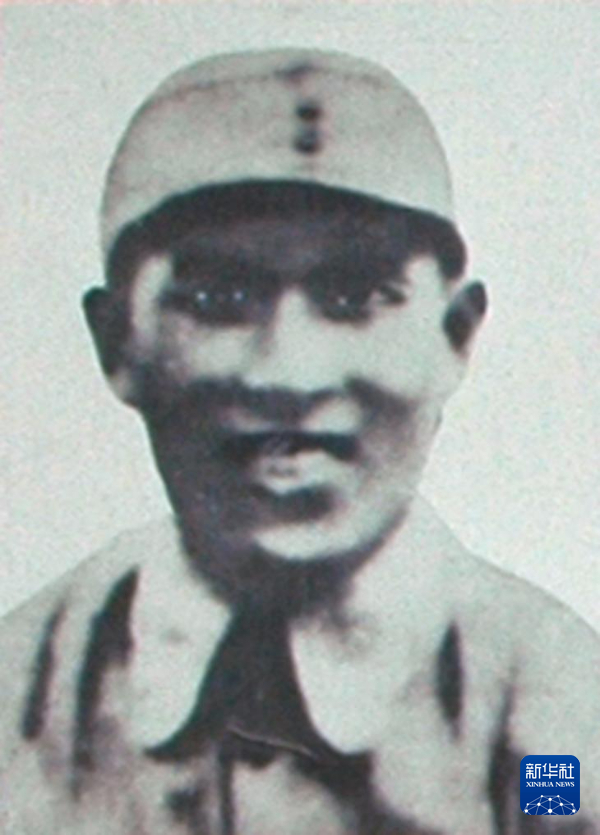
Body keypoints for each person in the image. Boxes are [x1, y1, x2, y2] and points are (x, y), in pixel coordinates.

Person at [0, 48, 598, 835]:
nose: (288, 372)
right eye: (218, 297)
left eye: (356, 296)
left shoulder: (554, 721)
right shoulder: (19, 702)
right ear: (118, 340)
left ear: (454, 336)